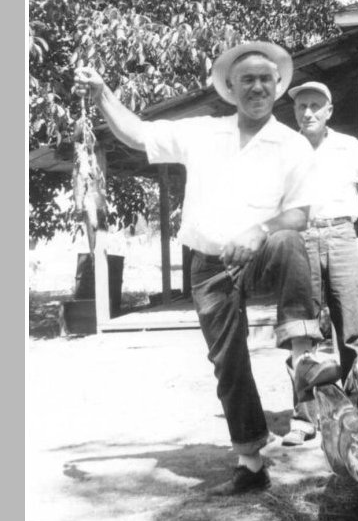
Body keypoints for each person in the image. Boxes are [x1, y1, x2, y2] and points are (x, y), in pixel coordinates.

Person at [74, 44, 341, 495]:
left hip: (262, 255)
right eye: (247, 80)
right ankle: (250, 460)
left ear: (278, 88)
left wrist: (258, 230)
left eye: (265, 79)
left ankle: (303, 351)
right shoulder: (203, 132)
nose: (256, 86)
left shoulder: (292, 145)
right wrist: (102, 93)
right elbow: (137, 134)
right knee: (227, 361)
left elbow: (298, 215)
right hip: (209, 263)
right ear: (230, 89)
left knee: (292, 240)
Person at [281, 81, 358, 446]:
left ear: (329, 110)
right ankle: (304, 418)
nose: (308, 112)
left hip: (343, 236)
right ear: (295, 112)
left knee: (352, 331)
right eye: (302, 107)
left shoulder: (348, 146)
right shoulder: (284, 149)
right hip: (301, 240)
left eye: (316, 106)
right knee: (302, 330)